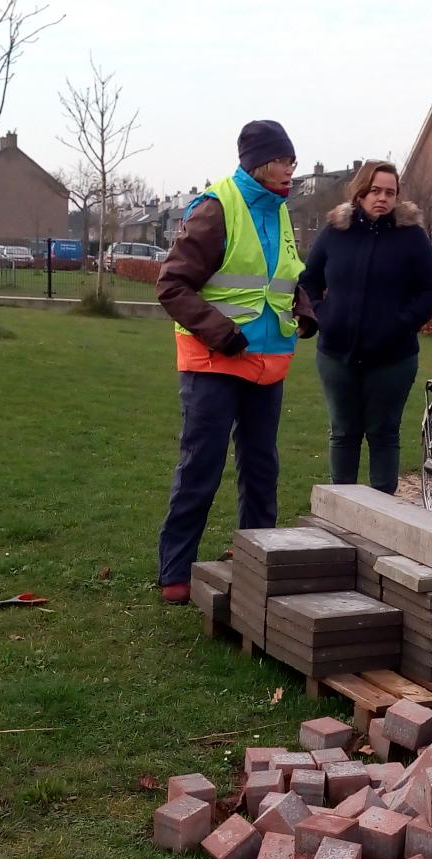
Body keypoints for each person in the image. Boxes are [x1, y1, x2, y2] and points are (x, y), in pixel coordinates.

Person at [155, 120, 316, 603]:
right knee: (201, 466)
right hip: (213, 362)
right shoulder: (216, 208)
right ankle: (176, 572)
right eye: (286, 161)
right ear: (262, 163)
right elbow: (171, 286)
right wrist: (221, 333)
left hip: (268, 362)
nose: (292, 170)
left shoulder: (281, 211)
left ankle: (257, 561)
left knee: (262, 468)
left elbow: (284, 277)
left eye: (293, 161)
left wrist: (304, 309)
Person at [297, 160, 432, 494]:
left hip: (393, 358)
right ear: (360, 193)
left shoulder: (412, 237)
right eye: (375, 190)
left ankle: (381, 518)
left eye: (390, 192)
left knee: (383, 433)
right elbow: (309, 278)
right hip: (336, 354)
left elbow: (429, 290)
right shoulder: (336, 231)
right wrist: (322, 314)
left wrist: (400, 324)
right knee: (343, 432)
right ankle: (342, 513)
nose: (382, 198)